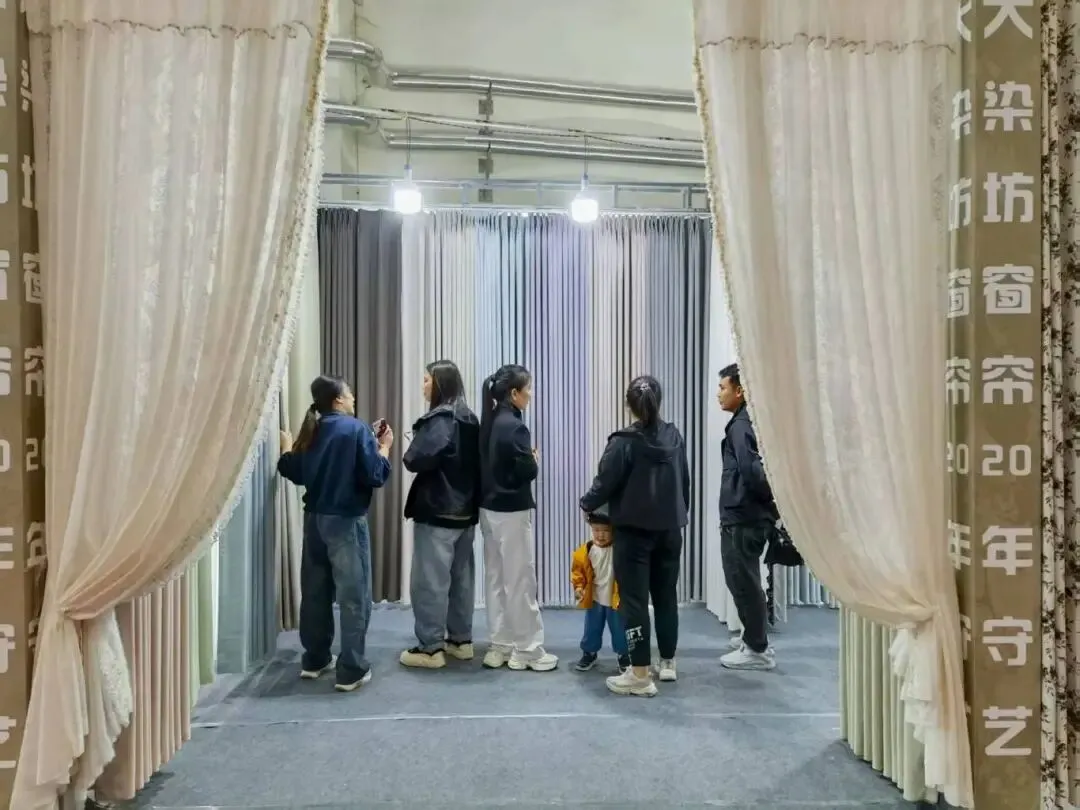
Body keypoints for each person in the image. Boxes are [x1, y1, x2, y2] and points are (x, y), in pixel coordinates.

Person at [277, 374, 393, 692]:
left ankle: (315, 660)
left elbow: (293, 470)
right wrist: (384, 448)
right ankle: (351, 669)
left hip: (314, 521)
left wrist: (286, 450)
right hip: (346, 522)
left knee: (315, 592)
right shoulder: (356, 429)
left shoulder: (312, 430)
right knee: (354, 597)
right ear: (338, 399)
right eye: (350, 393)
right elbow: (375, 475)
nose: (354, 398)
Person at [580, 375, 690, 697]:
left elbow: (604, 483)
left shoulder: (623, 442)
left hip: (633, 534)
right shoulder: (674, 436)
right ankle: (667, 661)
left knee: (634, 602)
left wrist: (586, 503)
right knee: (666, 596)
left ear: (629, 405)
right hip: (670, 530)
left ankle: (639, 673)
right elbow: (684, 483)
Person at [399, 360, 482, 670]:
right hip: (466, 512)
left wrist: (413, 441)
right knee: (461, 580)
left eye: (426, 380)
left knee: (430, 582)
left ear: (439, 384)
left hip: (437, 511)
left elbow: (415, 459)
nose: (423, 386)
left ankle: (430, 648)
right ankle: (461, 641)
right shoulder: (470, 418)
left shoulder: (440, 419)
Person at [477, 364, 557, 672]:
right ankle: (528, 649)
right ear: (514, 393)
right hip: (511, 511)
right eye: (528, 389)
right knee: (520, 580)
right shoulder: (515, 427)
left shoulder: (490, 420)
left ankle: (500, 644)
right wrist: (533, 459)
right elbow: (527, 470)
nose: (531, 394)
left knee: (496, 579)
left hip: (488, 509)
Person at [716, 363, 778, 671]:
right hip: (746, 515)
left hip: (744, 517)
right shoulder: (746, 421)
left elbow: (753, 473)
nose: (719, 394)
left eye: (723, 388)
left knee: (744, 581)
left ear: (739, 391)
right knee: (744, 579)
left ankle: (757, 649)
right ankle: (753, 637)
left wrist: (766, 504)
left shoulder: (742, 426)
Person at [570, 507, 630, 673]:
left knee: (619, 629)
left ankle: (623, 654)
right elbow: (578, 572)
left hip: (615, 599)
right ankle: (589, 652)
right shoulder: (585, 551)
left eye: (605, 531)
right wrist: (579, 587)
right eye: (596, 530)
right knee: (592, 628)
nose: (600, 535)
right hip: (594, 598)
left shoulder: (620, 549)